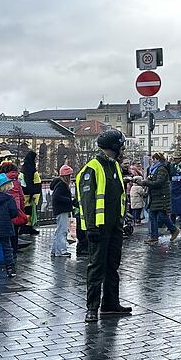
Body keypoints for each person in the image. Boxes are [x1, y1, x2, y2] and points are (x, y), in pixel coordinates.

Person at [77, 130, 133, 322]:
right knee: (96, 266)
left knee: (112, 266)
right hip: (99, 227)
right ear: (114, 147)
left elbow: (119, 196)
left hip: (114, 226)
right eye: (122, 146)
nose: (123, 150)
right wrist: (91, 226)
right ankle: (92, 308)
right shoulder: (92, 168)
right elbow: (87, 200)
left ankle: (110, 304)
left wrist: (122, 219)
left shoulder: (114, 166)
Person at [135, 152, 180, 244]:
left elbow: (158, 183)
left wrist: (144, 182)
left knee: (162, 215)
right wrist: (143, 181)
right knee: (152, 215)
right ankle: (154, 236)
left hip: (161, 196)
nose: (151, 160)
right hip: (155, 196)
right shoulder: (154, 169)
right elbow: (152, 180)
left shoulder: (161, 169)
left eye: (153, 159)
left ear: (157, 159)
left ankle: (174, 229)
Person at [50, 165, 74, 257]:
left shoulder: (58, 183)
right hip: (62, 209)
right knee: (62, 230)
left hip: (59, 209)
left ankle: (55, 250)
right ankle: (61, 251)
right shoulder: (61, 185)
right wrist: (70, 200)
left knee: (59, 230)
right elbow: (56, 196)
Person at [21, 150, 43, 236]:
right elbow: (29, 181)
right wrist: (32, 193)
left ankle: (29, 227)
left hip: (30, 193)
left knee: (30, 211)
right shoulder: (29, 167)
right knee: (28, 211)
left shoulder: (27, 166)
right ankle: (26, 228)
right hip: (29, 194)